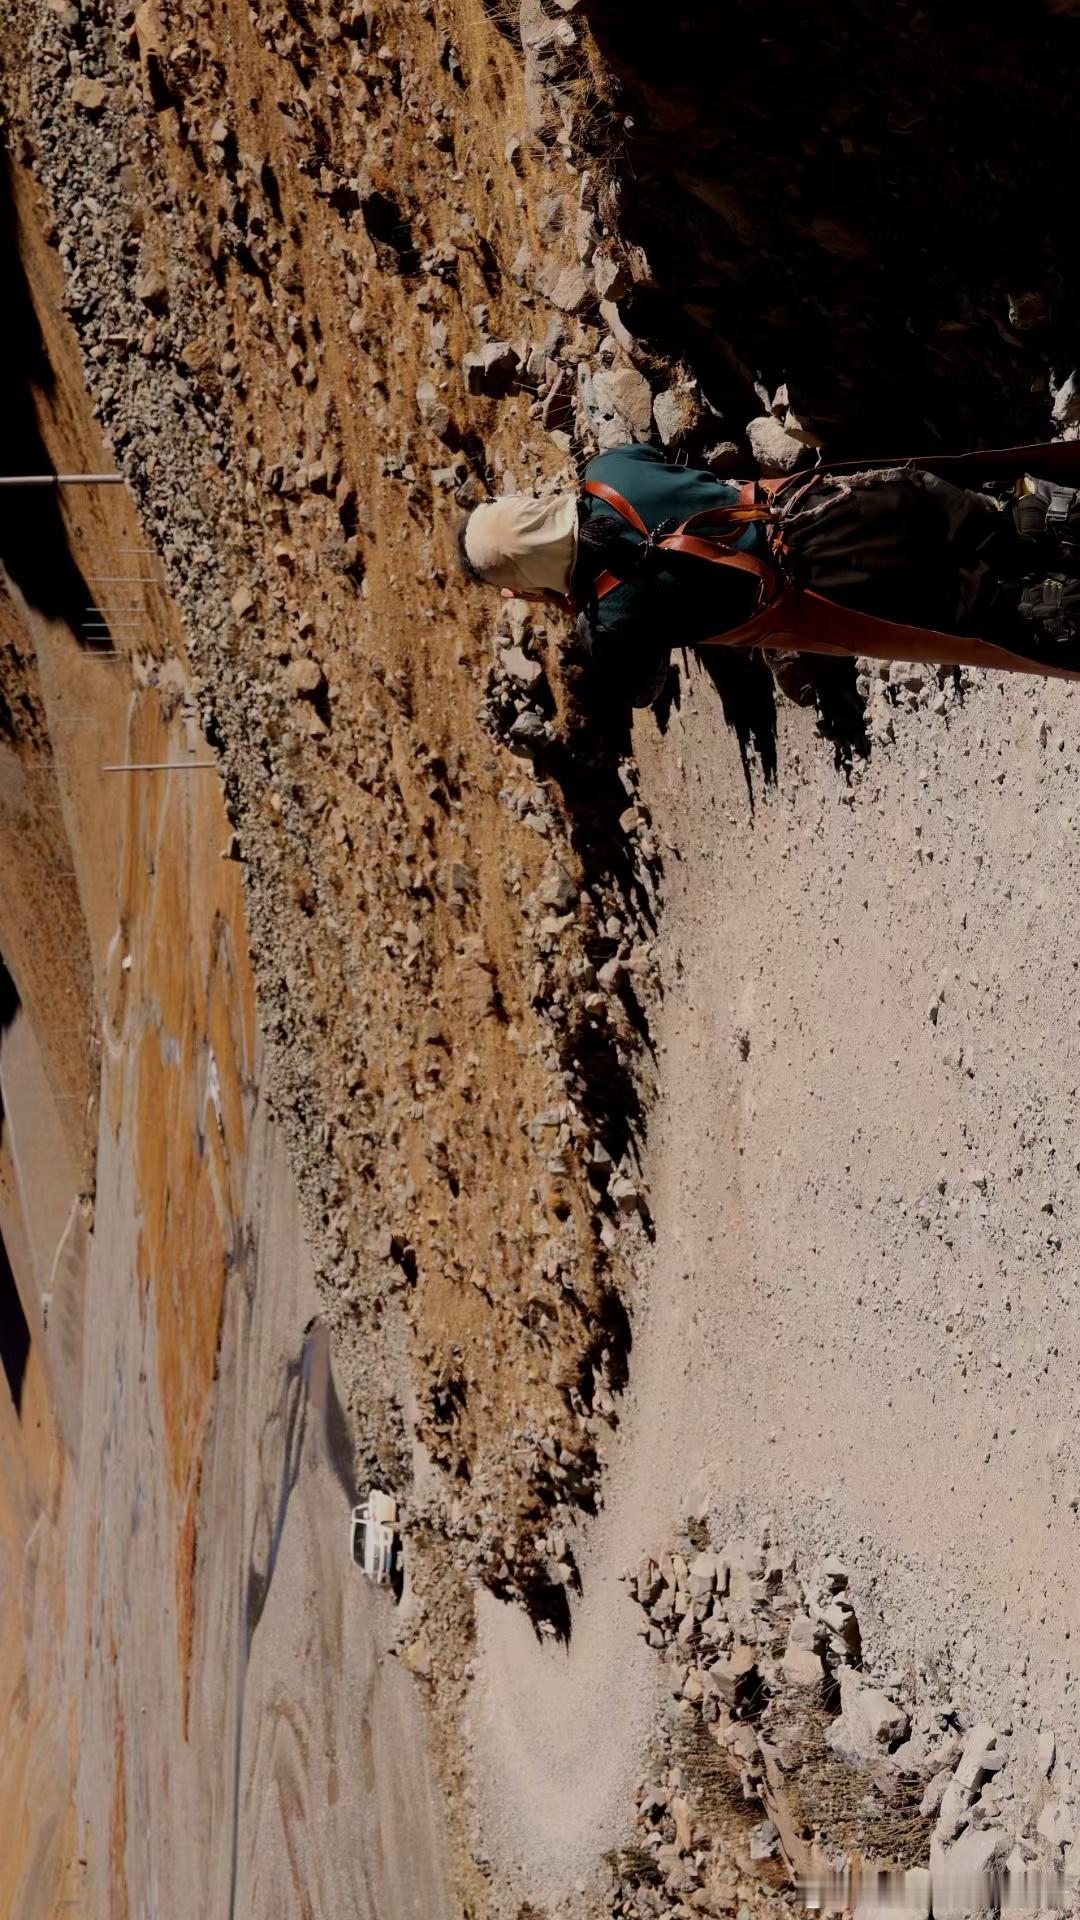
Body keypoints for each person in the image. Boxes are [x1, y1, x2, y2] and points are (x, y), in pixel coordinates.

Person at [458, 441, 1080, 708]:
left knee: (1006, 609)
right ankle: (1043, 516)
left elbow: (640, 683)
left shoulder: (614, 623)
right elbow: (661, 482)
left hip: (844, 587)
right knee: (996, 524)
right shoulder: (607, 468)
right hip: (850, 500)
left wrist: (563, 599)